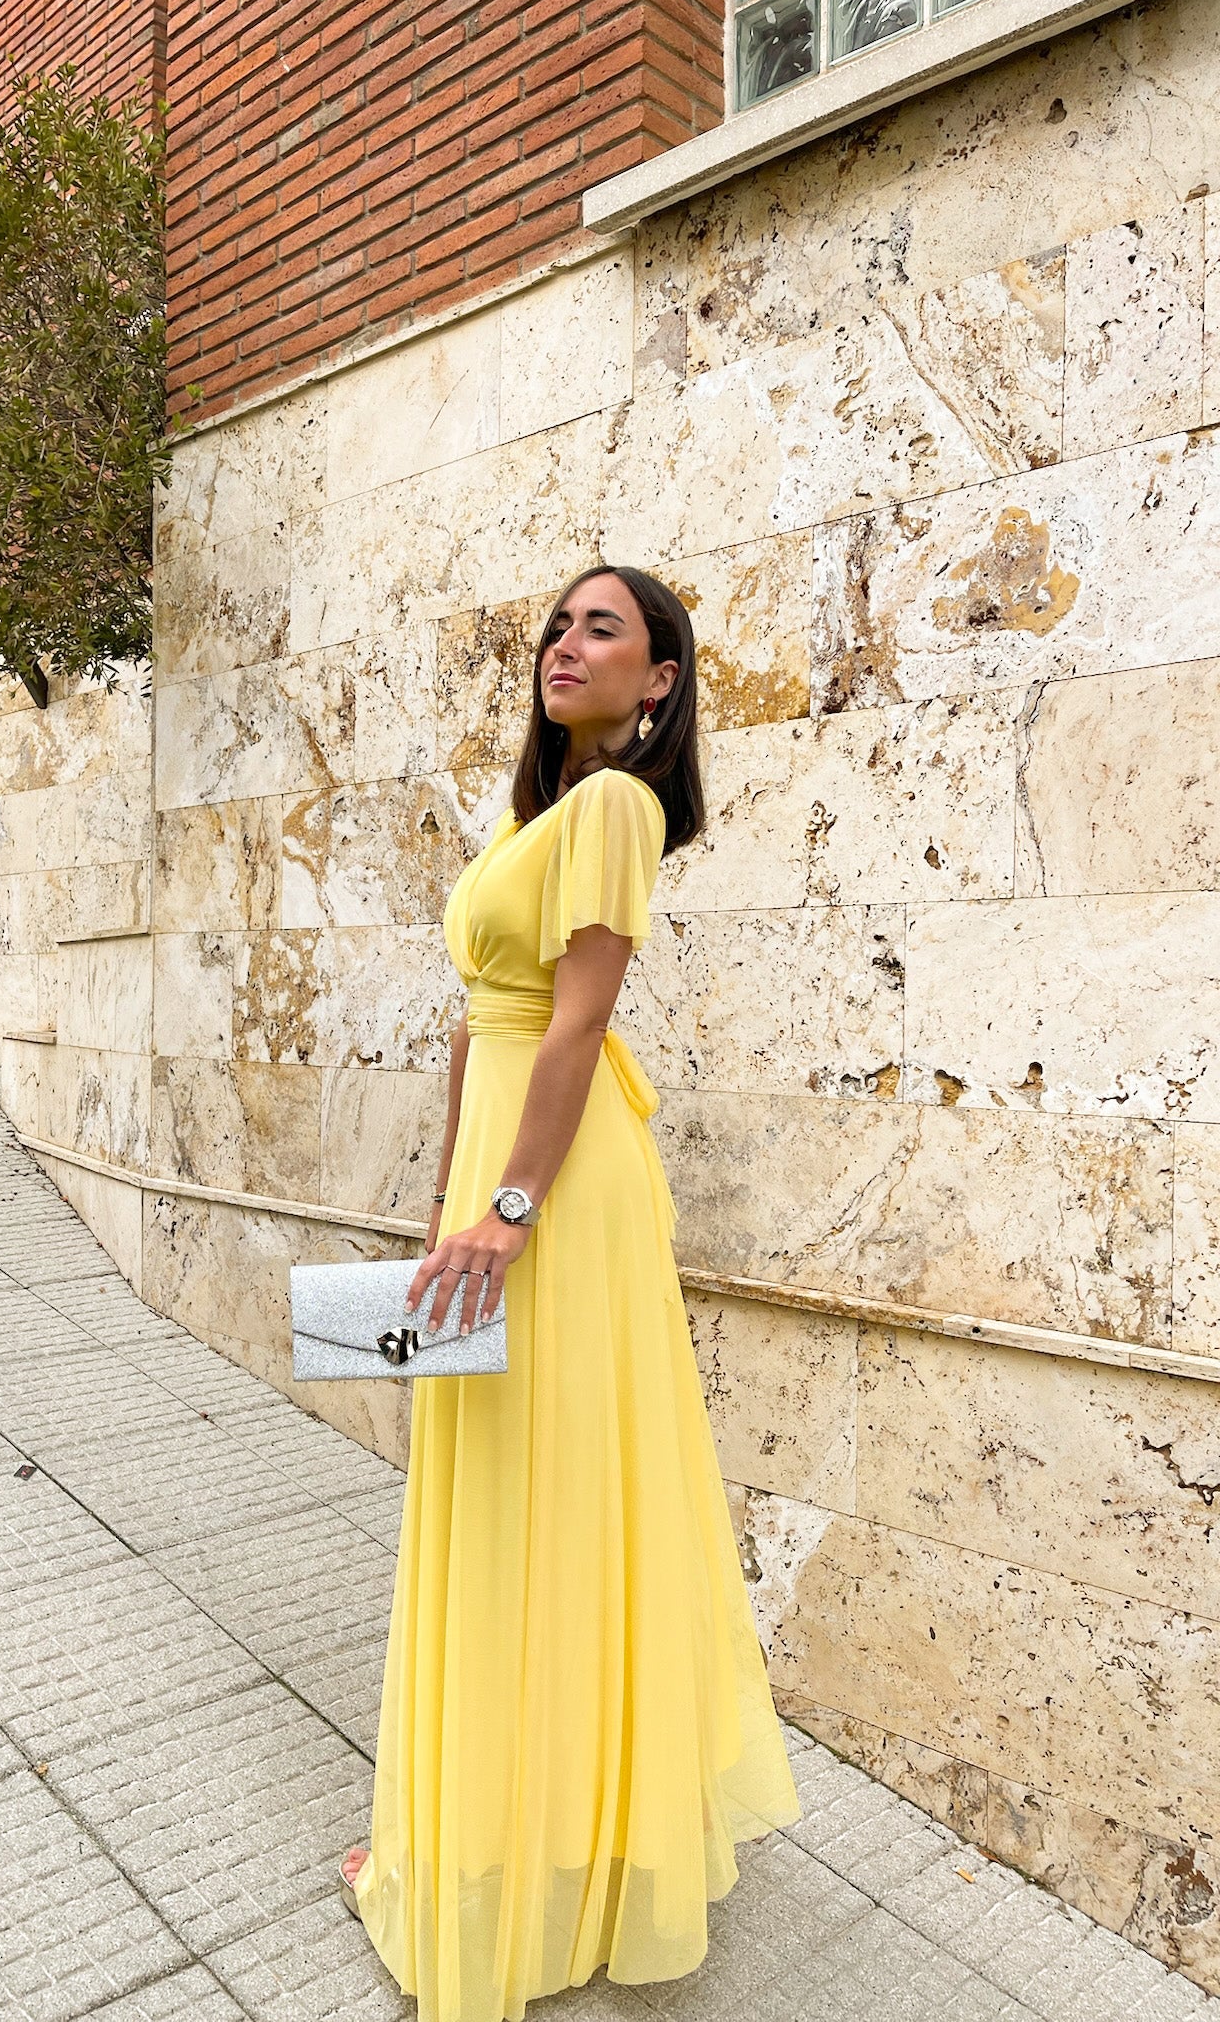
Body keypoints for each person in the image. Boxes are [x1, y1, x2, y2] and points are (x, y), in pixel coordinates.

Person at [337, 565, 801, 2021]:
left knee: (534, 1493)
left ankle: (523, 1858)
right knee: (494, 1485)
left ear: (661, 680)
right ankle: (472, 1833)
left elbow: (578, 1025)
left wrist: (512, 1210)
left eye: (605, 627)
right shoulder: (539, 811)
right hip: (503, 1176)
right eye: (558, 622)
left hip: (561, 1189)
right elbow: (483, 1021)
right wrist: (443, 1200)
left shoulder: (615, 809)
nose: (566, 642)